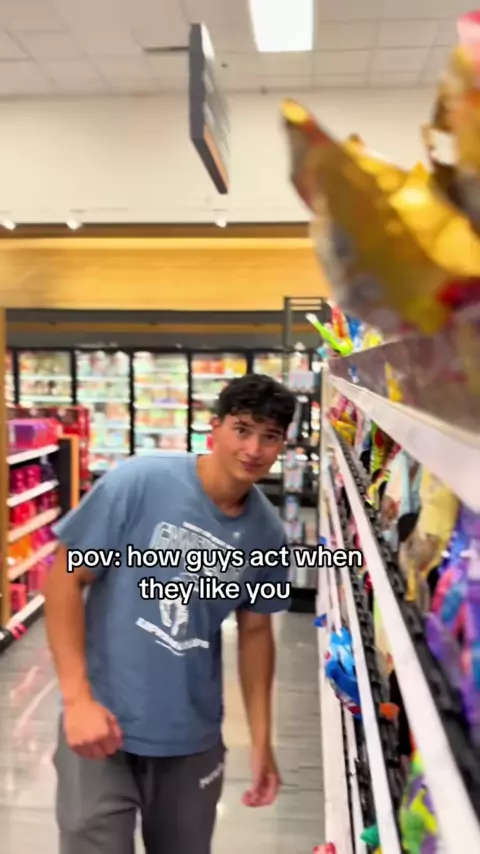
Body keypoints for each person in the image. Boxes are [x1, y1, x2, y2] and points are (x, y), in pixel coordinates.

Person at [44, 372, 297, 854]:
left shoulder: (266, 533)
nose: (253, 449)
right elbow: (64, 580)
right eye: (242, 430)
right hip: (101, 722)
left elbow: (256, 633)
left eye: (270, 437)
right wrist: (77, 699)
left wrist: (262, 743)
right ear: (215, 428)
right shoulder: (139, 483)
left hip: (190, 736)